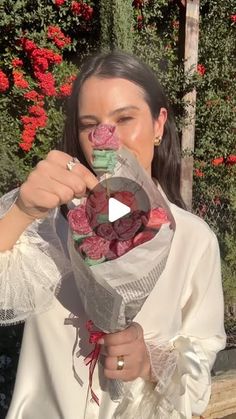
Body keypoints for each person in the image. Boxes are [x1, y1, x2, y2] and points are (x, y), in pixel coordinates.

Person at [0, 51, 226, 419]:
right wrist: (20, 212)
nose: (105, 139)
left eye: (124, 118)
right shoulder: (47, 224)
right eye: (90, 125)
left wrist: (151, 361)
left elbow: (201, 357)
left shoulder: (193, 240)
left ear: (158, 124)